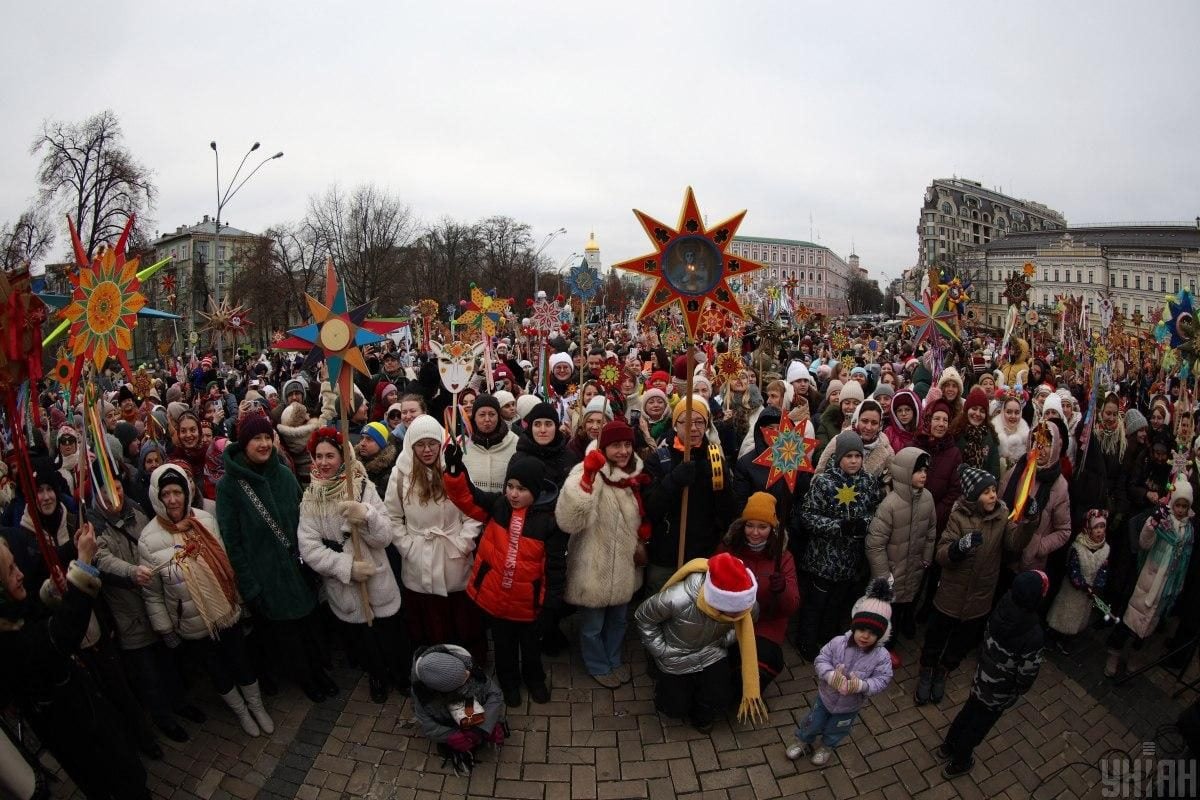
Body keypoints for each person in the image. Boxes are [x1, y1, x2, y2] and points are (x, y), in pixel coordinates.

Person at [0, 530, 152, 800]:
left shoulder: (8, 616)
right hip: (76, 729)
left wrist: (50, 592)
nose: (20, 574)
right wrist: (83, 562)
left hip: (82, 714)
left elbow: (31, 616)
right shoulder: (8, 642)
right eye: (10, 570)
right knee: (117, 782)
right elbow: (60, 636)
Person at [139, 462, 275, 738]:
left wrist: (240, 600)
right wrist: (166, 629)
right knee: (217, 671)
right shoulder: (148, 539)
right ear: (156, 497)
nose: (173, 499)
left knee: (240, 660)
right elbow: (152, 593)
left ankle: (257, 706)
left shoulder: (206, 519)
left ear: (187, 493)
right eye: (166, 494)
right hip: (191, 622)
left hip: (226, 610)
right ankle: (241, 712)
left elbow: (227, 564)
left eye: (177, 492)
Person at [217, 414, 334, 702]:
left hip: (298, 566)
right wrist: (250, 585)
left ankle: (319, 670)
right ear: (244, 443)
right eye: (257, 438)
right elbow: (233, 542)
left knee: (309, 625)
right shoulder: (229, 486)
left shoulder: (282, 473)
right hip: (267, 576)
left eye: (268, 437)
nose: (264, 443)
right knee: (287, 635)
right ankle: (306, 678)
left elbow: (305, 515)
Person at [443, 443, 566, 706]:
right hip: (496, 600)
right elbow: (467, 497)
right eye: (510, 486)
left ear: (535, 490)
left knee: (531, 649)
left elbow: (555, 569)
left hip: (529, 605)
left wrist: (551, 606)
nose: (513, 493)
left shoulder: (548, 522)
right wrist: (455, 470)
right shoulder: (498, 506)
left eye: (521, 489)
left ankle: (534, 679)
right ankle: (509, 682)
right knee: (504, 648)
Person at [297, 426, 408, 704]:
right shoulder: (311, 498)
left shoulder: (362, 487)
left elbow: (384, 537)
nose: (323, 462)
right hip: (346, 588)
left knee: (390, 636)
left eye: (330, 456)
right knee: (364, 641)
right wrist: (345, 566)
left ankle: (401, 674)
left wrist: (366, 515)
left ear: (343, 457)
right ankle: (377, 676)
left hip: (378, 582)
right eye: (318, 456)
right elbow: (309, 548)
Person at [916, 465, 1033, 706]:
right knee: (937, 635)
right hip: (951, 593)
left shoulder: (1002, 515)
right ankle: (927, 669)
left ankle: (944, 669)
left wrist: (1030, 522)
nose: (993, 495)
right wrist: (959, 547)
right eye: (986, 491)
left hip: (980, 596)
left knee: (961, 639)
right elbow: (942, 553)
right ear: (972, 496)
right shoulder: (958, 516)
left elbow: (1014, 543)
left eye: (993, 490)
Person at [556, 419, 651, 688]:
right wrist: (587, 478)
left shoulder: (633, 476)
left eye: (627, 444)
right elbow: (569, 520)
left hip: (623, 566)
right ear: (603, 447)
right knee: (592, 625)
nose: (622, 451)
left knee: (619, 620)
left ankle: (613, 658)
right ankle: (598, 665)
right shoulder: (587, 470)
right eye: (615, 445)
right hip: (593, 566)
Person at [386, 415, 486, 664]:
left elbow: (473, 511)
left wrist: (464, 543)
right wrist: (408, 547)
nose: (427, 450)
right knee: (428, 621)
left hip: (453, 554)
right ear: (411, 445)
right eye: (421, 444)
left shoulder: (454, 469)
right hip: (419, 558)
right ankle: (435, 669)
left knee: (461, 618)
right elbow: (392, 517)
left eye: (432, 443)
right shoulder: (400, 475)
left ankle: (467, 666)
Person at [635, 552, 767, 733]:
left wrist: (725, 641)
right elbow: (644, 617)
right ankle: (666, 690)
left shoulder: (745, 605)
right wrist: (660, 650)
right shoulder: (676, 598)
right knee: (673, 707)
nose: (738, 617)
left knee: (719, 696)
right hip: (675, 656)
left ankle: (702, 715)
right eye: (731, 613)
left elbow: (749, 620)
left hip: (712, 652)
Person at [939, 571, 1048, 778]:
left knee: (968, 712)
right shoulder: (1033, 634)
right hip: (999, 692)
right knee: (978, 727)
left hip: (981, 677)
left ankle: (948, 745)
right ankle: (961, 761)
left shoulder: (1002, 606)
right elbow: (1027, 673)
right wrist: (1019, 689)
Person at [785, 578, 894, 767]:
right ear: (854, 626)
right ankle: (803, 740)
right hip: (825, 697)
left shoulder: (881, 656)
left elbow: (884, 679)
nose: (865, 636)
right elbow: (821, 659)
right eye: (861, 629)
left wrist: (863, 685)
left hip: (849, 706)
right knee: (812, 722)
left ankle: (827, 746)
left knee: (837, 729)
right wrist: (828, 675)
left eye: (872, 632)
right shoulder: (838, 643)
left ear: (881, 635)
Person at [795, 431, 885, 661]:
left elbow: (875, 513)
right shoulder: (825, 482)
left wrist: (862, 525)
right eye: (848, 456)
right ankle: (805, 640)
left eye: (858, 456)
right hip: (822, 560)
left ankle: (827, 639)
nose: (854, 461)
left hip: (849, 561)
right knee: (816, 604)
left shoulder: (867, 482)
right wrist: (839, 527)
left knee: (836, 604)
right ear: (838, 458)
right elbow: (807, 516)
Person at [642, 396, 736, 594]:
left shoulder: (715, 458)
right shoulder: (659, 459)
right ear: (676, 425)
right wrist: (673, 481)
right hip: (666, 556)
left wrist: (722, 483)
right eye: (686, 422)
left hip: (702, 555)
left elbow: (728, 512)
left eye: (700, 421)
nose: (693, 428)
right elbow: (651, 508)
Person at [1105, 480, 1195, 678]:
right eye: (1178, 505)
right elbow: (1145, 543)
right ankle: (1114, 653)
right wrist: (1151, 527)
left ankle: (1136, 654)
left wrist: (1177, 585)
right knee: (1129, 621)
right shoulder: (1163, 520)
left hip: (1164, 587)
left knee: (1147, 627)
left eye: (1184, 506)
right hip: (1146, 581)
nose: (1180, 510)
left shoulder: (1188, 531)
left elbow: (1184, 561)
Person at [716, 493, 800, 691]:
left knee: (758, 665)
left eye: (762, 527)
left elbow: (792, 605)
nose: (754, 532)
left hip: (765, 624)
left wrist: (783, 590)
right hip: (730, 621)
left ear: (772, 529)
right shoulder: (727, 549)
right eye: (749, 525)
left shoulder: (783, 558)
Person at [865, 448, 936, 642]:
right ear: (905, 472)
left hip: (914, 569)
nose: (923, 475)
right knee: (889, 612)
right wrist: (883, 575)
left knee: (908, 602)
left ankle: (904, 626)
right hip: (893, 573)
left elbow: (931, 531)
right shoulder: (890, 504)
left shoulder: (927, 498)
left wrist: (926, 558)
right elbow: (875, 544)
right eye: (918, 470)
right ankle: (886, 644)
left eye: (925, 471)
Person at [410, 644, 507, 777]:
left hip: (468, 705)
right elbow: (430, 727)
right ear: (443, 689)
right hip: (451, 717)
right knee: (457, 741)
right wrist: (452, 735)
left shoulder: (466, 665)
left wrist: (485, 726)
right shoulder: (424, 698)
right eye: (462, 679)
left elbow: (495, 694)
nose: (468, 673)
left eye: (464, 670)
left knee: (478, 731)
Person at [1046, 510, 1111, 653]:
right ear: (1088, 528)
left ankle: (1066, 640)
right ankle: (1052, 636)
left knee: (1077, 618)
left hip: (1088, 593)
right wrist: (1081, 584)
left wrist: (1097, 585)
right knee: (1062, 613)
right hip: (1073, 590)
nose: (1099, 531)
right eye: (1096, 527)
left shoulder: (1105, 550)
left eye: (1102, 527)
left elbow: (1103, 570)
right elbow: (1073, 568)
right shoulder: (1078, 547)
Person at [462, 394, 519, 493]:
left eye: (492, 414)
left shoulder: (514, 441)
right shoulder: (462, 443)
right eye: (482, 415)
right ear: (474, 417)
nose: (487, 419)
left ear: (498, 416)